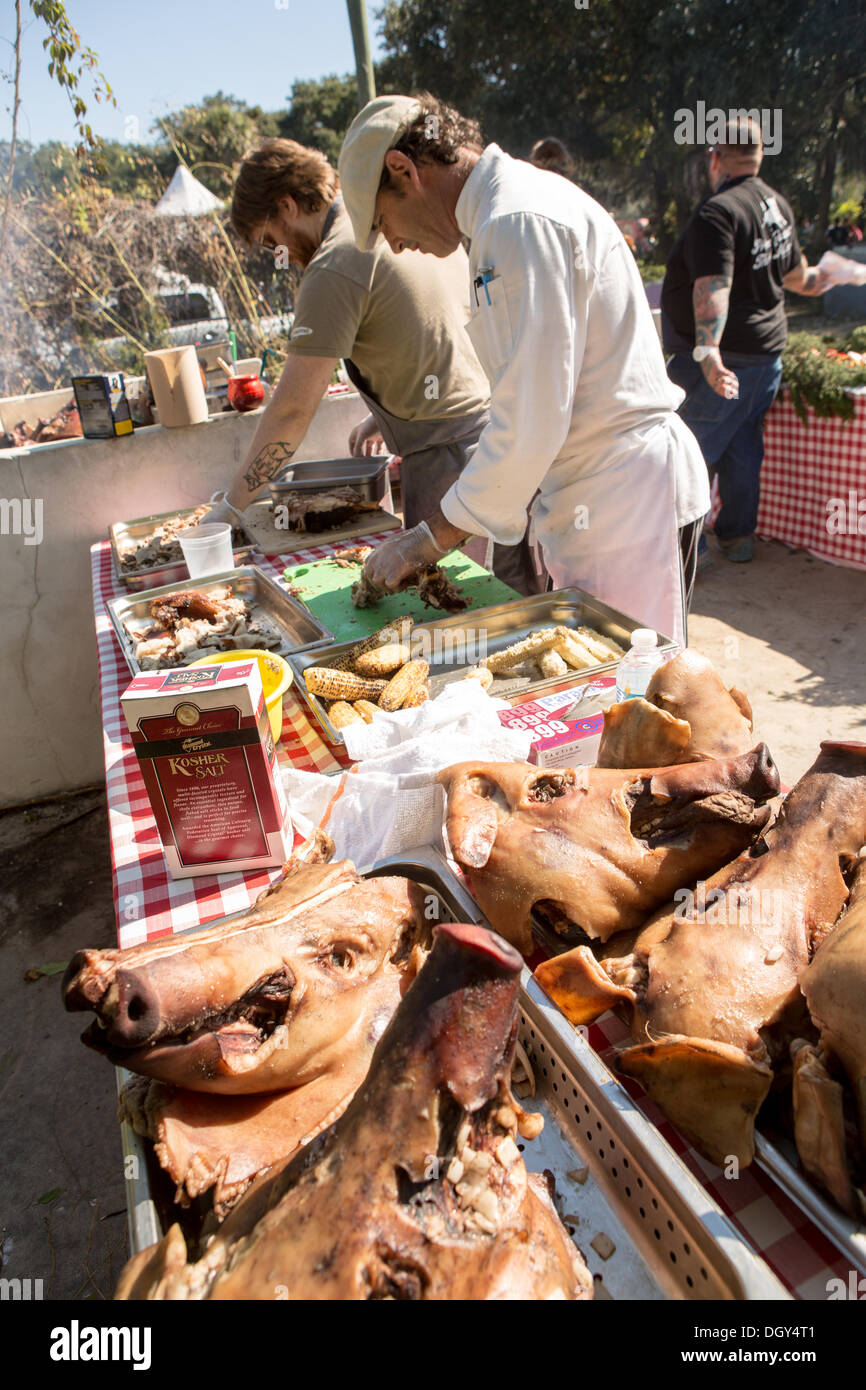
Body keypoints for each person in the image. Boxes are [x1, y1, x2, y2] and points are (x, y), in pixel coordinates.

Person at [336, 94, 710, 647]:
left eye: (381, 221)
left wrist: (427, 540)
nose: (392, 242)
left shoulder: (515, 222)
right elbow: (525, 395)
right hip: (599, 502)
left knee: (642, 698)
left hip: (625, 506)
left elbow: (529, 425)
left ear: (403, 170)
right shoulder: (500, 217)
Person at [208, 138, 538, 593]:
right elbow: (434, 331)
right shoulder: (376, 224)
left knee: (459, 628)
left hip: (450, 462)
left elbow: (290, 412)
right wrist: (383, 413)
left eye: (271, 240)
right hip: (492, 445)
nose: (279, 253)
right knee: (512, 603)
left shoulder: (336, 260)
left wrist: (232, 507)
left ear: (286, 205)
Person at [662, 117, 834, 564]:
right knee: (741, 446)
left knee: (689, 450)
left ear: (716, 156)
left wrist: (708, 353)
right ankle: (738, 539)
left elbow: (713, 287)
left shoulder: (718, 212)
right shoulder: (776, 205)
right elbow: (799, 277)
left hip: (726, 359)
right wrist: (833, 276)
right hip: (766, 358)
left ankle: (685, 553)